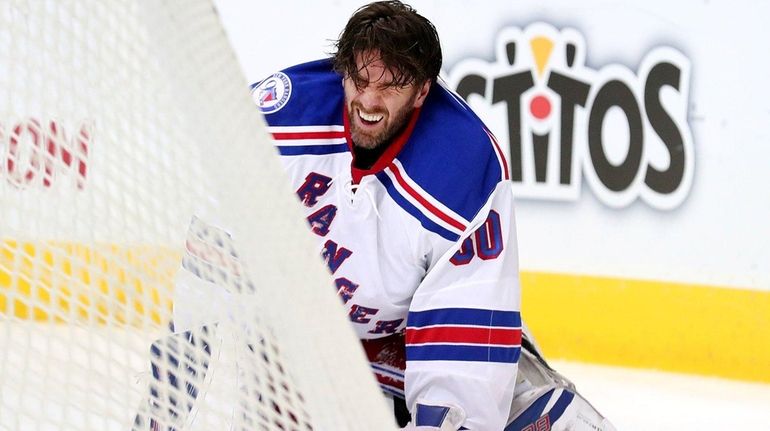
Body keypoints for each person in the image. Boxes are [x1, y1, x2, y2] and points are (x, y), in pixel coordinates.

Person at [245, 2, 616, 430]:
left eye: (391, 87)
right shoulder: (278, 120)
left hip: (412, 339)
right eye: (360, 80)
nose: (368, 100)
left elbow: (463, 342)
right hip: (299, 339)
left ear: (422, 91)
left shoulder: (464, 169)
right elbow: (218, 259)